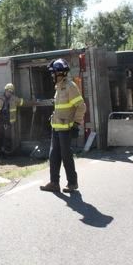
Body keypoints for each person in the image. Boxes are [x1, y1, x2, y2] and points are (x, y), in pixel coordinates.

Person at [40, 58, 86, 194]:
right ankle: (54, 183)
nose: (51, 75)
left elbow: (81, 107)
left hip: (66, 129)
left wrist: (76, 124)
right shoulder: (58, 88)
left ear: (59, 73)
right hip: (57, 127)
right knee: (53, 156)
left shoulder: (70, 86)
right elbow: (61, 107)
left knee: (66, 156)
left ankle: (72, 183)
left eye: (53, 73)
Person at [0, 83, 28, 154]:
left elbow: (24, 103)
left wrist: (36, 102)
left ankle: (7, 153)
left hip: (8, 122)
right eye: (8, 91)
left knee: (7, 137)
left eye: (11, 92)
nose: (10, 93)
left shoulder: (14, 99)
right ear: (5, 90)